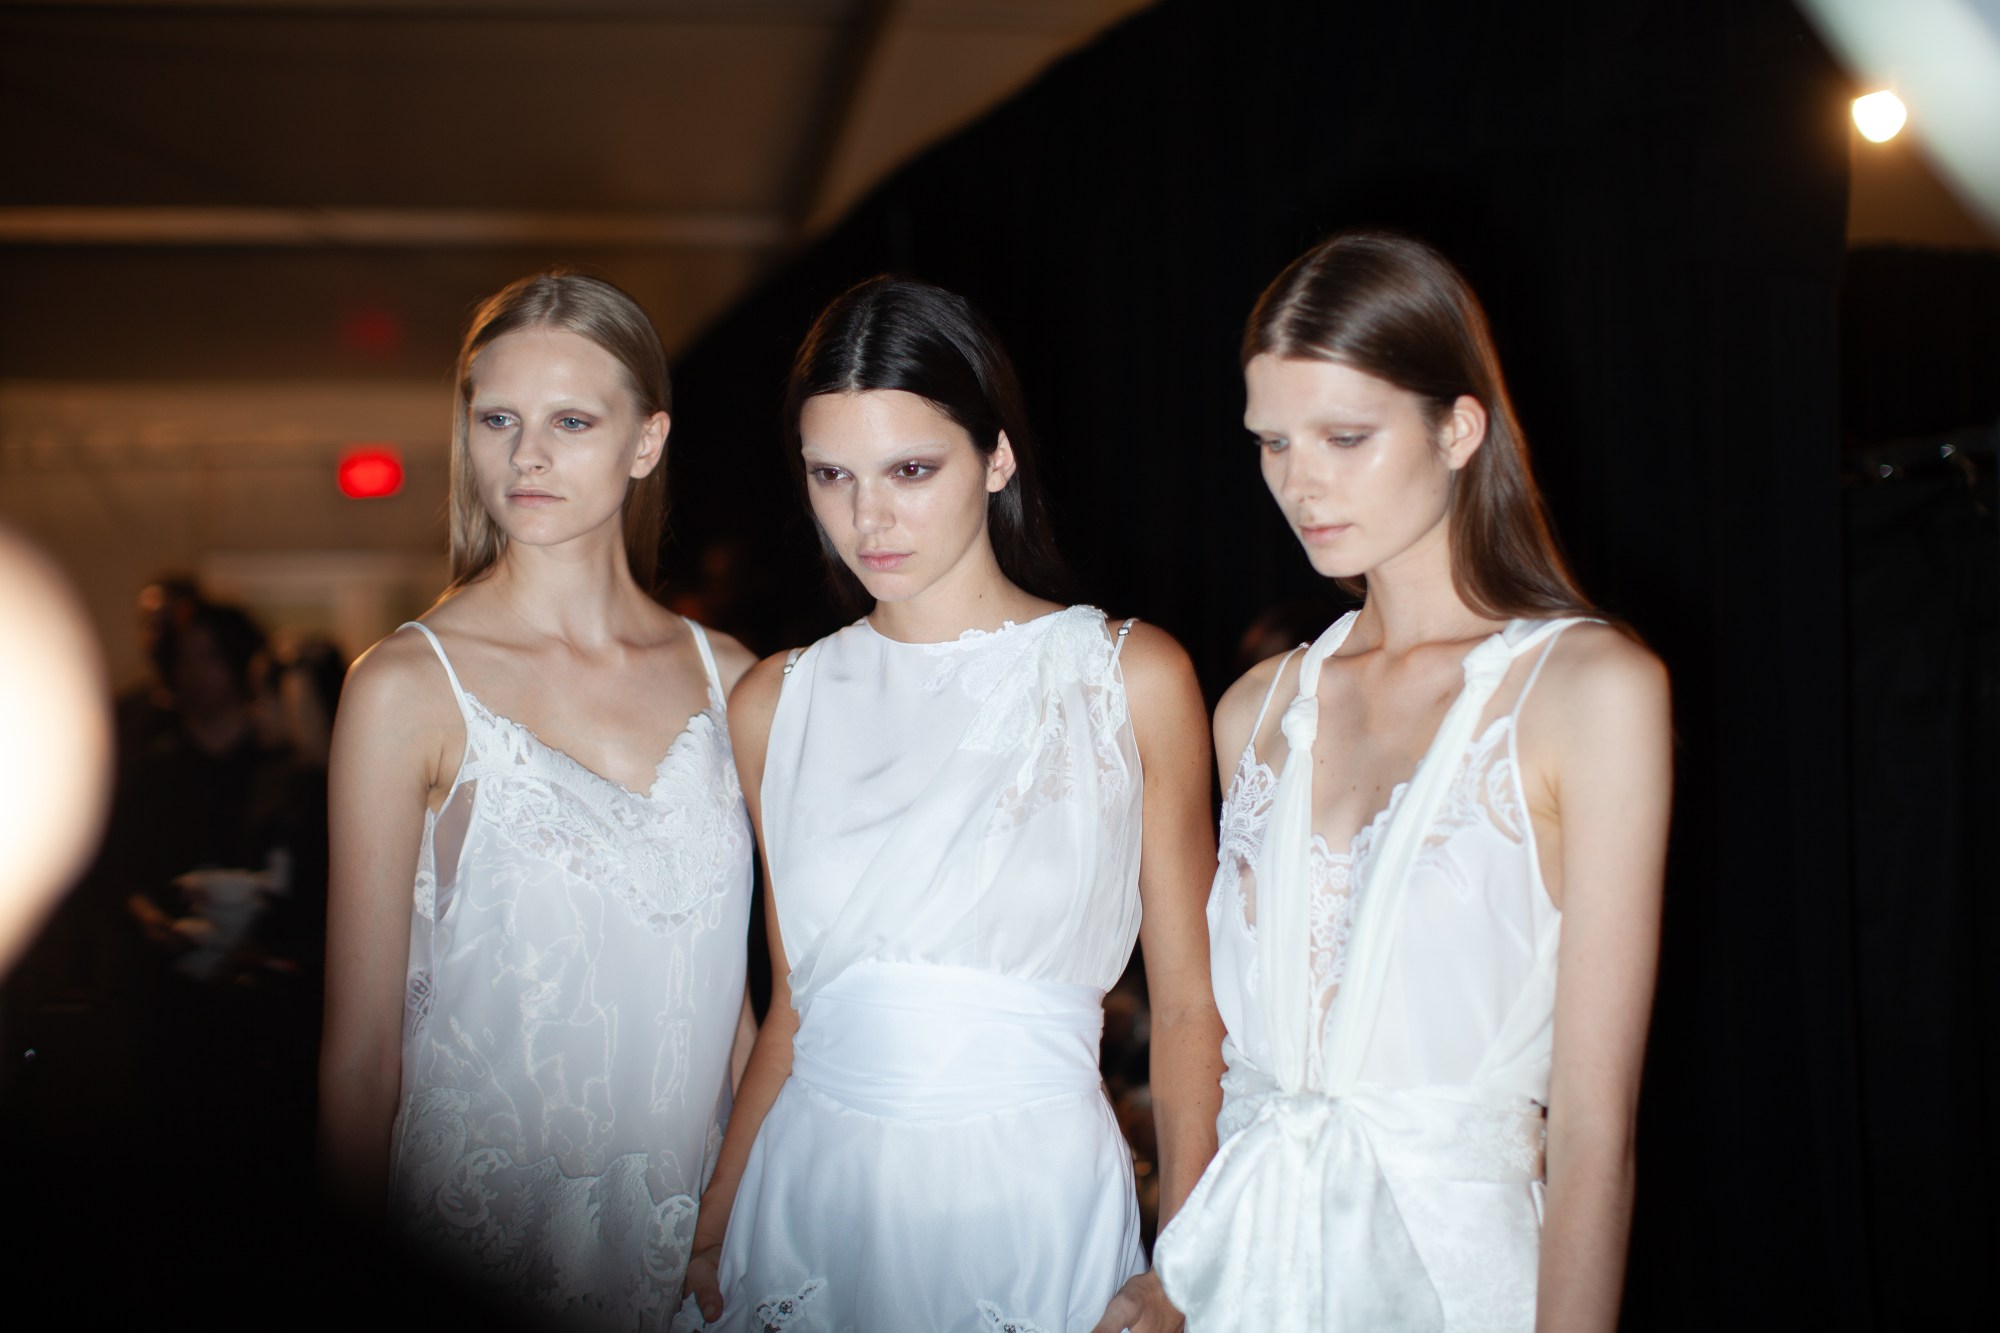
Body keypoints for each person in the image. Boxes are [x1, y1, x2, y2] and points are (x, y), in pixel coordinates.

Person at [681, 276, 1224, 1333]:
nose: (866, 517)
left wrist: (1187, 1262)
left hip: (1031, 1196)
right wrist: (714, 1220)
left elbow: (1193, 1007)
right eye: (830, 475)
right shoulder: (774, 702)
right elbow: (797, 1002)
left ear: (997, 456)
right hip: (811, 1195)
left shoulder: (1125, 673)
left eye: (910, 470)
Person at [1153, 232, 1671, 1331]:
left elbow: (1591, 1129)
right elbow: (1212, 1041)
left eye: (1343, 437)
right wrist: (1170, 1267)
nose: (1298, 481)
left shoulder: (1588, 689)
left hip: (1455, 1281)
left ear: (1457, 427)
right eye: (1271, 442)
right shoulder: (1253, 709)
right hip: (1235, 1281)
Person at [318, 271, 757, 1325]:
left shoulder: (737, 679)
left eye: (570, 420)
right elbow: (362, 1051)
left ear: (645, 442)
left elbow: (743, 1012)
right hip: (478, 1251)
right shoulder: (404, 685)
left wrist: (744, 1210)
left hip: (692, 1247)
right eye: (498, 419)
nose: (526, 455)